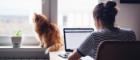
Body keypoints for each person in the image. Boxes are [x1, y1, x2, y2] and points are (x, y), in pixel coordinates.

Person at [68, 1, 136, 60]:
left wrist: (78, 52)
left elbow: (71, 59)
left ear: (98, 20)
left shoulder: (94, 36)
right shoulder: (131, 33)